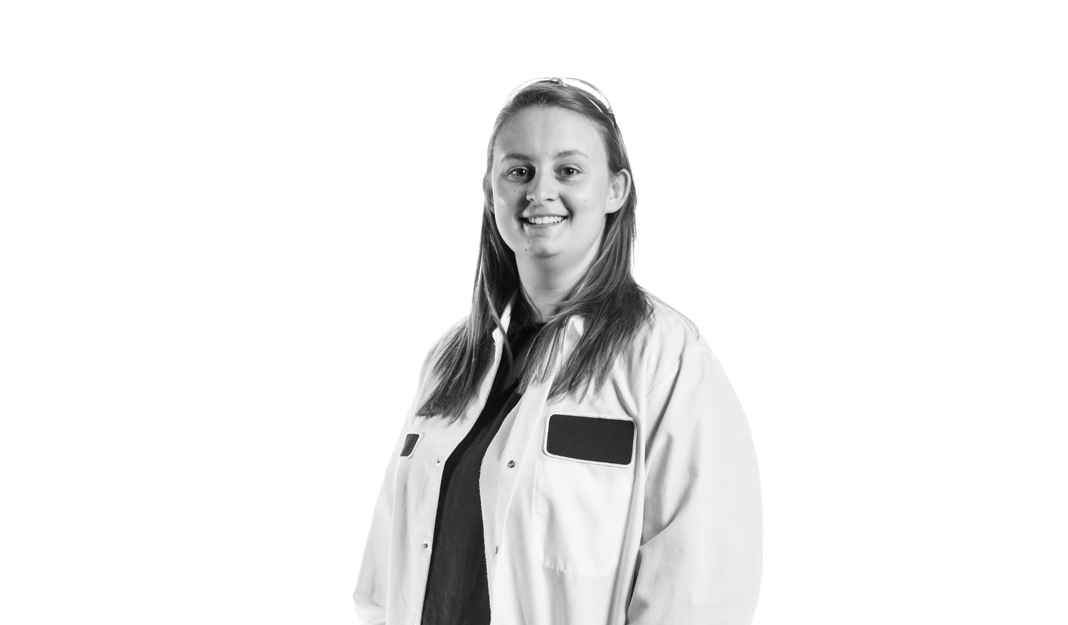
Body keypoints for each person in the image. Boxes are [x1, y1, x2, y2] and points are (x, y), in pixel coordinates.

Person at [354, 77, 762, 625]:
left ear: (615, 190)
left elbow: (698, 593)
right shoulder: (451, 361)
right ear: (490, 192)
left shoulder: (667, 359)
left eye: (568, 170)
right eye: (518, 171)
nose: (539, 191)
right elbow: (384, 580)